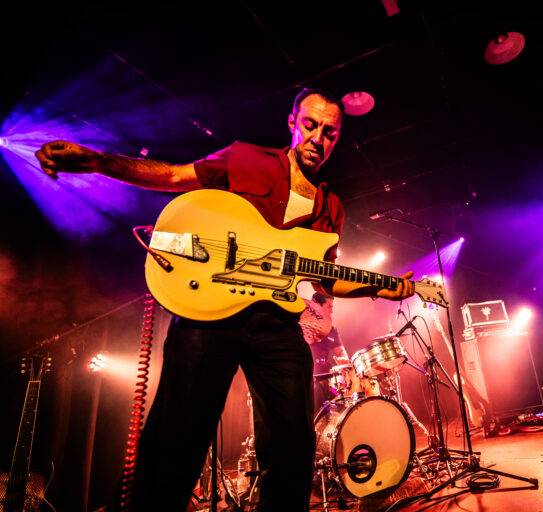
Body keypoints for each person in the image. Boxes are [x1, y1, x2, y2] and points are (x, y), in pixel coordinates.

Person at [35, 87, 415, 511]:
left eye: (329, 132)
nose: (317, 138)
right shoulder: (245, 158)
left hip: (277, 325)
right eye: (310, 125)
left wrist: (386, 286)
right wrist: (99, 161)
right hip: (209, 315)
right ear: (292, 123)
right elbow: (174, 177)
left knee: (294, 442)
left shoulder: (332, 207)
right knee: (175, 438)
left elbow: (325, 282)